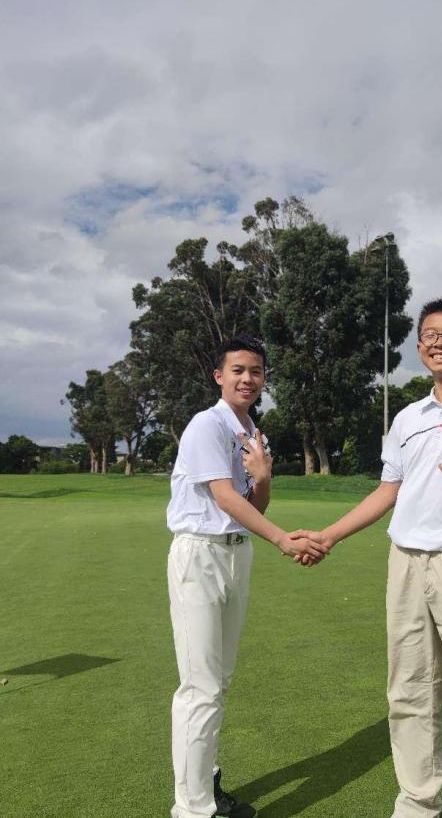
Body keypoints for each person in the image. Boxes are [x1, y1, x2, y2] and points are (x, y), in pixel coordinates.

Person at [296, 298, 442, 818]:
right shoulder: (408, 418)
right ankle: (418, 803)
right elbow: (388, 492)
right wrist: (330, 535)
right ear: (420, 345)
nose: (439, 342)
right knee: (408, 692)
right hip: (404, 563)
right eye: (429, 334)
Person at [166, 334, 326, 818]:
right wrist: (282, 539)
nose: (247, 379)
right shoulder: (206, 425)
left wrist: (265, 475)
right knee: (200, 686)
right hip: (200, 555)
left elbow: (251, 504)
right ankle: (192, 809)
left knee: (220, 680)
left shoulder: (251, 432)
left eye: (255, 371)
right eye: (237, 370)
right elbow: (224, 498)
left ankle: (206, 783)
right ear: (219, 376)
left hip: (236, 555)